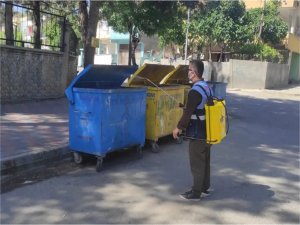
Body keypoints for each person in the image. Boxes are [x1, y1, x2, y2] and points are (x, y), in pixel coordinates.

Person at [173, 59, 212, 201]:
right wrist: (188, 106)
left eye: (189, 70)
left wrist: (178, 128)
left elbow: (188, 114)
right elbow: (198, 107)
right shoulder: (206, 87)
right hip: (208, 130)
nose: (188, 72)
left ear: (194, 73)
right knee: (205, 161)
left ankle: (196, 193)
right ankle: (204, 188)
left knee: (196, 163)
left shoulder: (194, 91)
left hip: (198, 133)